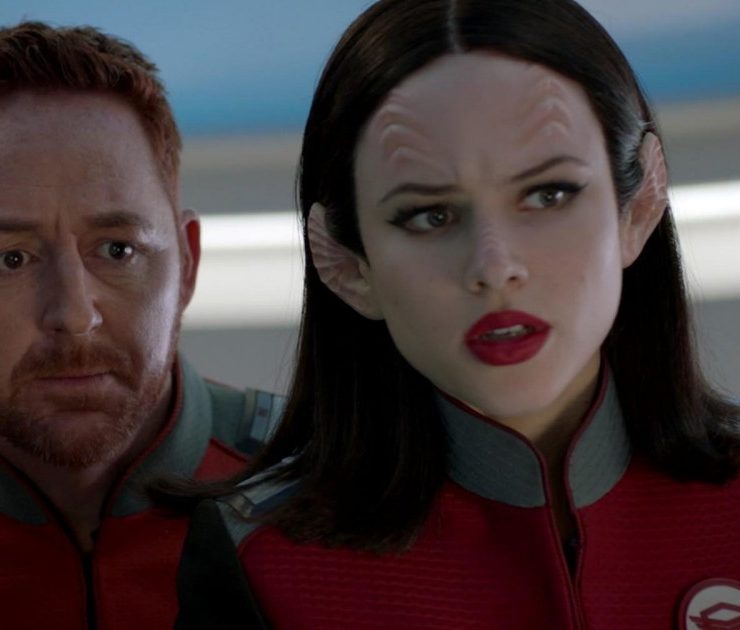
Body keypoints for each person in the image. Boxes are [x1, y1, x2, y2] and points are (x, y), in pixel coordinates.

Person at [175, 0, 740, 628]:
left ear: (639, 207)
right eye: (430, 215)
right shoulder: (264, 563)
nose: (495, 267)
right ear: (346, 264)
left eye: (548, 194)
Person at [0, 21, 284, 630]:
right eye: (10, 260)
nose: (73, 316)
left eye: (118, 250)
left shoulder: (336, 488)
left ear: (187, 265)